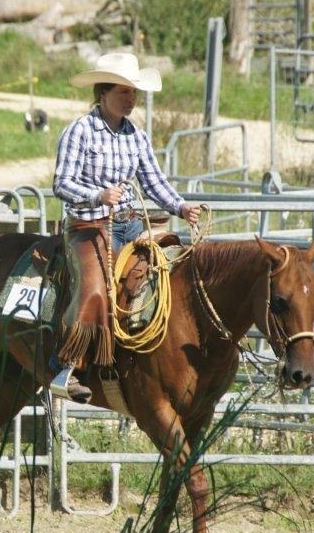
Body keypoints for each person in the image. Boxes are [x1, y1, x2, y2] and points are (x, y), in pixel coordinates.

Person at [52, 52, 202, 402]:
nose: (131, 98)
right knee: (94, 287)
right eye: (123, 91)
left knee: (170, 273)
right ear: (102, 93)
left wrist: (180, 205)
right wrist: (98, 195)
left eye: (134, 92)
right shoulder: (79, 131)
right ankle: (67, 366)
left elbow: (153, 182)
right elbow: (61, 183)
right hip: (88, 226)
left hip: (132, 224)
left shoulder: (137, 136)